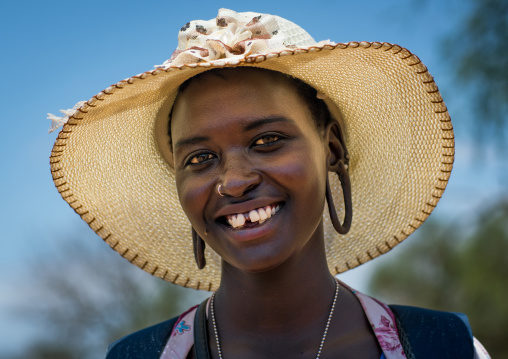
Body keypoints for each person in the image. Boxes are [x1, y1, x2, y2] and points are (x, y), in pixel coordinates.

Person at [48, 9, 490, 359]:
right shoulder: (137, 356)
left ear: (331, 149)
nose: (234, 181)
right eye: (200, 158)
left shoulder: (445, 347)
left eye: (267, 141)